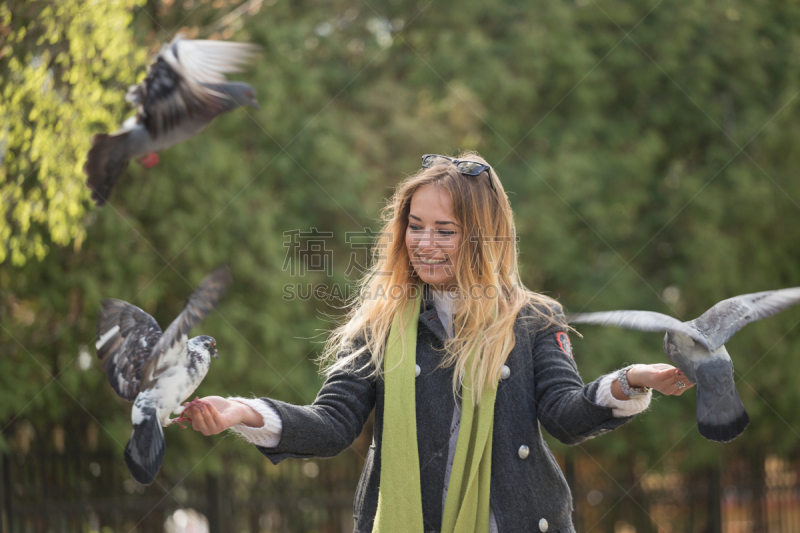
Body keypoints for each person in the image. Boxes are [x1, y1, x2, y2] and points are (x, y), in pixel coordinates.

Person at [184, 152, 693, 533]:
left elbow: (564, 414)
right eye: (416, 225)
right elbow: (332, 424)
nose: (424, 242)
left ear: (482, 237)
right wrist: (242, 412)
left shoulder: (533, 318)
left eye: (445, 230)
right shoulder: (381, 323)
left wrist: (631, 381)